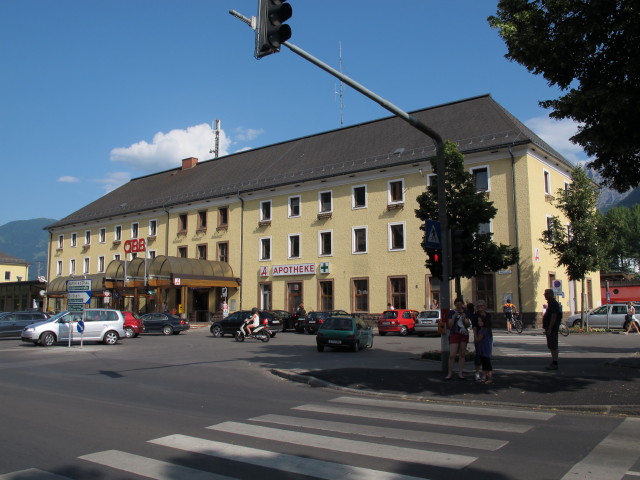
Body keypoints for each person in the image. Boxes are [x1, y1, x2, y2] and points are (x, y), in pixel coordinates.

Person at [444, 298, 470, 381]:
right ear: (455, 305)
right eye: (457, 305)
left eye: (460, 304)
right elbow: (450, 325)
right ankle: (449, 373)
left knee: (462, 354)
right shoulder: (452, 312)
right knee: (452, 355)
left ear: (462, 304)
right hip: (454, 333)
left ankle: (460, 373)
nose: (459, 306)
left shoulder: (465, 312)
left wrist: (464, 319)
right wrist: (454, 317)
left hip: (464, 334)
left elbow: (467, 324)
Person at [472, 300, 492, 381]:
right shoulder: (475, 316)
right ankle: (478, 373)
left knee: (486, 357)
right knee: (479, 356)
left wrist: (478, 339)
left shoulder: (488, 315)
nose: (480, 307)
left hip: (486, 337)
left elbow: (489, 326)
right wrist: (476, 337)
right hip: (479, 336)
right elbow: (474, 327)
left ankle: (486, 374)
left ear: (485, 306)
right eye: (478, 306)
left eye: (482, 305)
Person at [542, 289, 561, 370]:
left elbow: (553, 316)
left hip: (552, 329)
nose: (545, 295)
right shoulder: (551, 303)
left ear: (551, 294)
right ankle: (554, 362)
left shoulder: (553, 303)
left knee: (553, 345)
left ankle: (555, 363)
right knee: (552, 346)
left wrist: (550, 328)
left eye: (546, 294)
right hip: (551, 328)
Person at [475, 306, 494, 384]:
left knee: (487, 364)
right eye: (478, 321)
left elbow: (478, 339)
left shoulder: (484, 330)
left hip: (485, 349)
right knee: (484, 363)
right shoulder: (483, 329)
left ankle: (489, 378)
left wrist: (475, 338)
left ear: (484, 322)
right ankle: (484, 377)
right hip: (482, 349)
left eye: (480, 321)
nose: (478, 322)